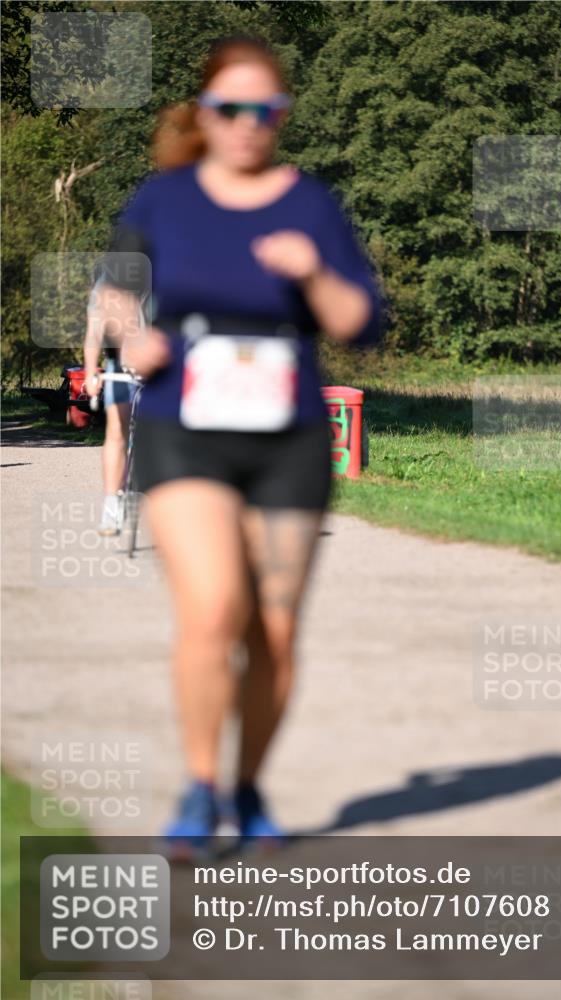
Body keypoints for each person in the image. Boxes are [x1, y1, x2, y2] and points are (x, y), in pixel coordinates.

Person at [98, 33, 386, 857]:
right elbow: (117, 289)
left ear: (283, 116)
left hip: (287, 437)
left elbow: (356, 324)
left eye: (266, 109)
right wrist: (132, 339)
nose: (247, 124)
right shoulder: (165, 199)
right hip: (187, 428)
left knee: (274, 629)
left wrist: (311, 273)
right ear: (204, 112)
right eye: (230, 108)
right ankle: (198, 787)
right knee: (214, 605)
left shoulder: (311, 205)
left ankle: (249, 785)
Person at [83, 269, 142, 535]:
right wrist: (90, 371)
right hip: (120, 365)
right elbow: (94, 334)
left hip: (162, 362)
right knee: (116, 432)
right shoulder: (108, 282)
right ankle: (111, 509)